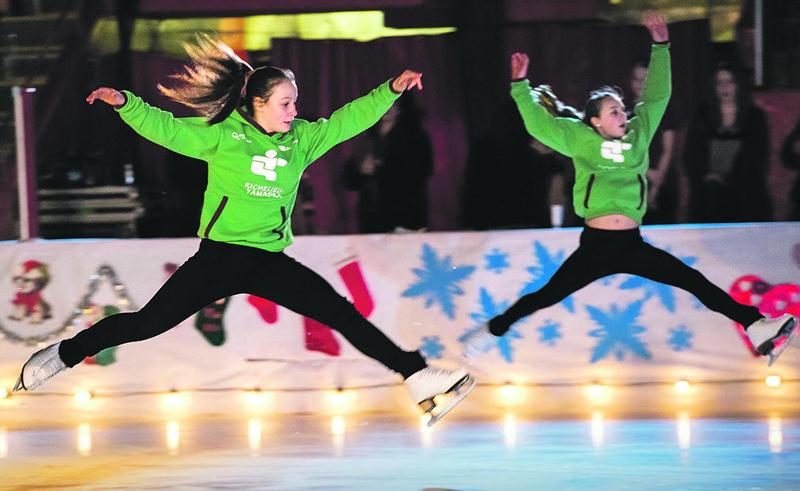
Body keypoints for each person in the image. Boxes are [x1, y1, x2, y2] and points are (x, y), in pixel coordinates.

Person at [13, 35, 473, 426]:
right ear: (258, 104)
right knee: (147, 323)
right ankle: (61, 355)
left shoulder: (303, 140)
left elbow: (350, 119)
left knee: (341, 314)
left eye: (296, 102)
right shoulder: (223, 136)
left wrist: (389, 90)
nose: (295, 110)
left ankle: (417, 375)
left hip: (268, 261)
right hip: (218, 259)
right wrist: (126, 104)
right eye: (286, 103)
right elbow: (168, 129)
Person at [461, 13, 797, 366]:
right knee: (546, 295)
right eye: (613, 111)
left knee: (693, 281)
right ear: (595, 120)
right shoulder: (580, 139)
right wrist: (520, 86)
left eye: (622, 110)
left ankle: (756, 325)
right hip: (595, 246)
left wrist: (661, 47)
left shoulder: (638, 135)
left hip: (631, 243)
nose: (622, 115)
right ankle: (490, 332)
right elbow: (539, 125)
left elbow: (657, 96)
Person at [683, 62, 772, 223]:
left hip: (744, 191)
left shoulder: (755, 117)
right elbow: (690, 155)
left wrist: (728, 179)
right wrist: (708, 176)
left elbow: (758, 160)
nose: (724, 87)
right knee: (711, 195)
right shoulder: (702, 115)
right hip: (707, 190)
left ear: (739, 85)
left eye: (729, 82)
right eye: (719, 82)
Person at [342, 92, 433, 233]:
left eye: (393, 103)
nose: (388, 108)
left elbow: (422, 171)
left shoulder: (415, 136)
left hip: (406, 218)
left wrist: (380, 169)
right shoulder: (366, 137)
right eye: (384, 103)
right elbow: (349, 180)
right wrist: (361, 171)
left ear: (401, 107)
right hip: (373, 221)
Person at [628, 59, 679, 224]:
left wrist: (656, 184)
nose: (640, 84)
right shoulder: (624, 110)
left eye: (644, 80)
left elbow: (668, 150)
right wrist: (645, 171)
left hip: (660, 176)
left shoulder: (663, 108)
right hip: (633, 174)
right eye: (636, 79)